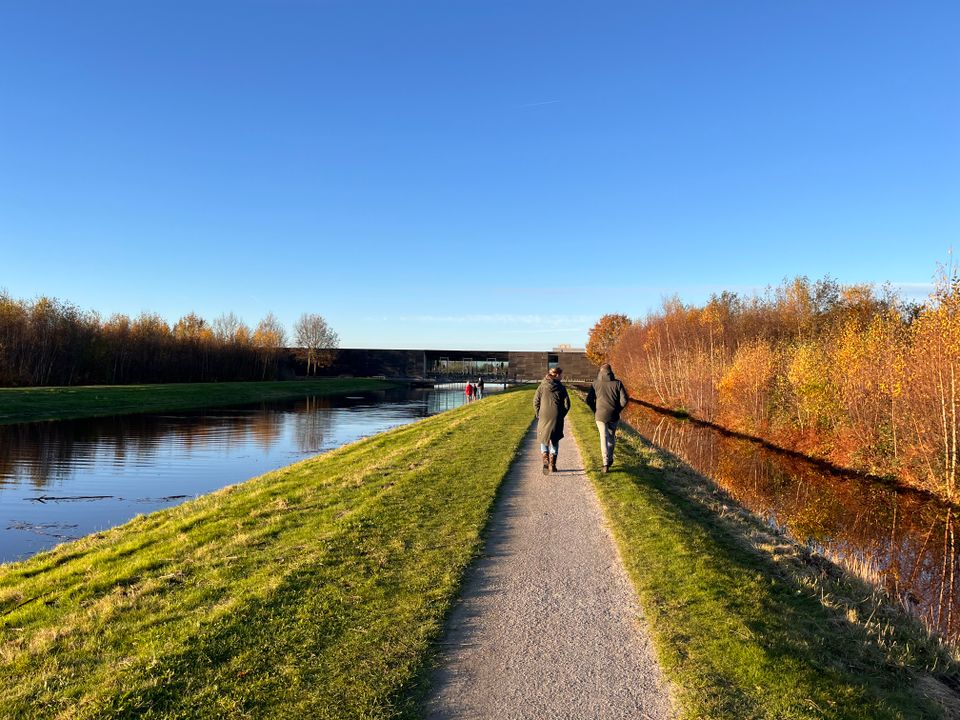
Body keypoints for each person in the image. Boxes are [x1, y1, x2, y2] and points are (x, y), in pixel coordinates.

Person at [585, 363, 629, 472]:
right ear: (611, 371)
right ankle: (610, 458)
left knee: (603, 437)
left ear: (600, 371)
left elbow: (589, 400)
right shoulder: (618, 383)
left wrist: (595, 410)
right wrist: (617, 409)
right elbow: (624, 401)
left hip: (600, 415)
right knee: (611, 437)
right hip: (613, 415)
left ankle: (605, 463)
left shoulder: (595, 384)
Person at [533, 366, 570, 474]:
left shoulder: (541, 386)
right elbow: (567, 404)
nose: (562, 377)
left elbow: (535, 401)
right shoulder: (561, 388)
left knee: (543, 437)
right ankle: (552, 464)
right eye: (561, 375)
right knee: (555, 438)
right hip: (556, 416)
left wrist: (538, 414)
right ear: (557, 375)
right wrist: (562, 414)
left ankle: (545, 458)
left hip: (543, 416)